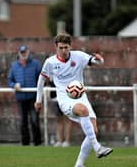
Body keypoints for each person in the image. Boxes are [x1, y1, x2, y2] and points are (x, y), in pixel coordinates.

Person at [34, 33, 113, 167]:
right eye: (61, 48)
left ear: (70, 46)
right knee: (83, 110)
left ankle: (79, 164)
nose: (63, 51)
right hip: (65, 100)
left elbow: (95, 62)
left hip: (82, 97)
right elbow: (41, 80)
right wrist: (38, 100)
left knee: (93, 131)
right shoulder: (50, 62)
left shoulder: (79, 56)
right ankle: (97, 147)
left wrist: (100, 60)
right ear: (56, 47)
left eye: (66, 47)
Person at [7, 44, 42, 146]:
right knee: (23, 121)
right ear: (19, 53)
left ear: (28, 52)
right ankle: (25, 143)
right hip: (20, 98)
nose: (24, 54)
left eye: (25, 52)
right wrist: (14, 85)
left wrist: (40, 94)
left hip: (33, 97)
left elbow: (41, 78)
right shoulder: (14, 66)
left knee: (34, 120)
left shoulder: (36, 64)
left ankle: (37, 142)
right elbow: (9, 80)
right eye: (22, 53)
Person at [49, 80, 72, 147]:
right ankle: (60, 141)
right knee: (58, 119)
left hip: (66, 96)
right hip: (54, 96)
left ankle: (67, 141)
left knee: (67, 118)